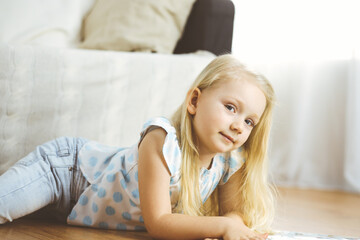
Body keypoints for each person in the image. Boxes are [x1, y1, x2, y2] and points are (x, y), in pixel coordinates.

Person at [0, 54, 276, 240]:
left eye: (250, 121)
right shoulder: (161, 138)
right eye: (230, 108)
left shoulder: (230, 161)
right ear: (194, 101)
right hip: (66, 173)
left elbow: (233, 214)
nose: (240, 126)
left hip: (75, 212)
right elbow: (158, 222)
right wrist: (223, 226)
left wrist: (235, 225)